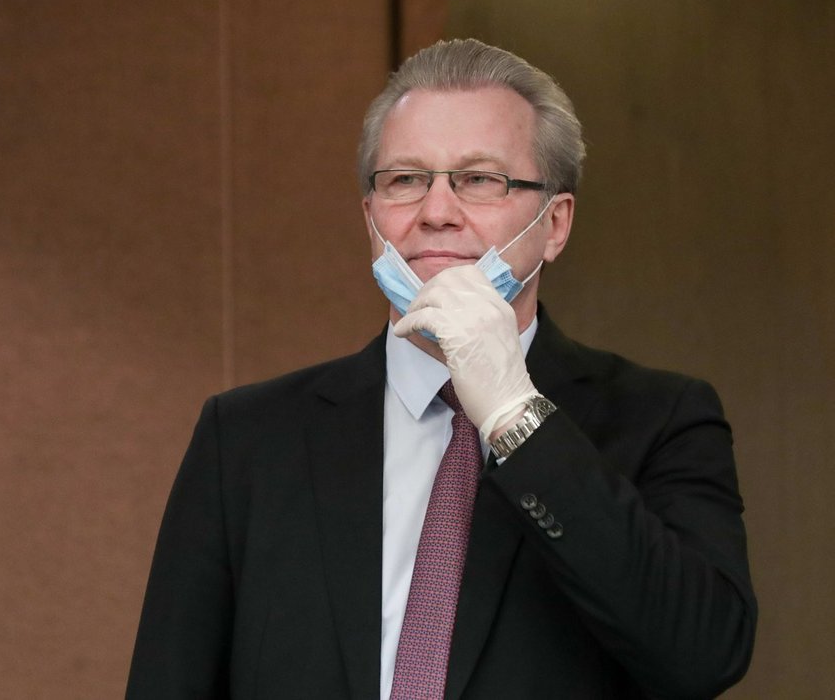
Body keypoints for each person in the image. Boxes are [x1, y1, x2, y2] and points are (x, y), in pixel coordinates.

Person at [126, 38, 756, 699]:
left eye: (479, 180)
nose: (435, 212)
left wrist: (516, 415)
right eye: (405, 180)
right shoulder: (247, 439)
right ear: (370, 216)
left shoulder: (661, 420)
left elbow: (703, 653)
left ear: (555, 224)